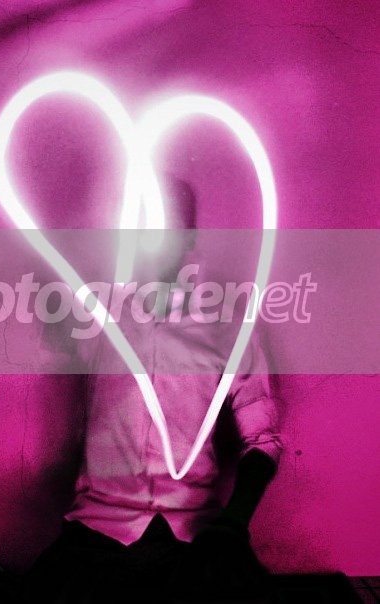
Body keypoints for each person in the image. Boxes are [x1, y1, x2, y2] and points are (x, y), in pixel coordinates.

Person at [25, 174, 283, 603]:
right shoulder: (94, 314)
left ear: (190, 237)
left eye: (167, 227)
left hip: (193, 538)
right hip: (96, 532)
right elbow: (45, 254)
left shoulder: (228, 325)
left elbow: (263, 439)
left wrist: (232, 526)